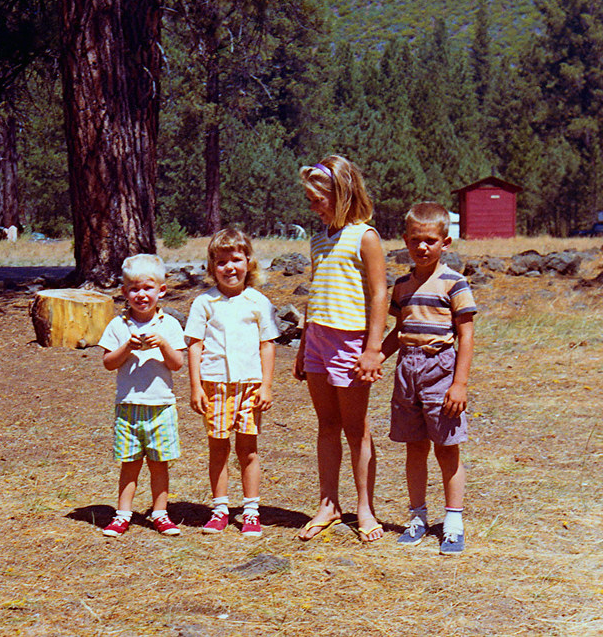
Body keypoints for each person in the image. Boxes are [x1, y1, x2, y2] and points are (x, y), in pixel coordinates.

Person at [293, 155, 388, 543]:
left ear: (343, 193)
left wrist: (373, 349)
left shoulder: (364, 236)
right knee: (327, 426)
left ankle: (364, 507)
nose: (314, 208)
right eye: (311, 201)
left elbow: (379, 292)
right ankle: (328, 503)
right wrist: (302, 345)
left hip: (351, 341)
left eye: (320, 200)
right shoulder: (319, 239)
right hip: (317, 339)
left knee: (355, 428)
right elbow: (316, 294)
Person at [381, 202, 476, 555]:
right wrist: (376, 356)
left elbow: (466, 334)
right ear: (405, 241)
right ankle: (417, 516)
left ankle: (453, 522)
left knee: (447, 447)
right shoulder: (402, 286)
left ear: (445, 243)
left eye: (431, 241)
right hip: (407, 370)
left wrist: (459, 383)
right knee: (415, 447)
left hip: (441, 370)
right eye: (416, 240)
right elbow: (399, 330)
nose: (423, 247)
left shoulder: (454, 282)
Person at [185, 228, 278, 537]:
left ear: (248, 262)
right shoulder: (204, 303)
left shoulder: (257, 302)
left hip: (249, 385)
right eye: (222, 261)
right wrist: (196, 386)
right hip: (215, 385)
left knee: (248, 449)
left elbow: (267, 344)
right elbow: (195, 344)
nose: (230, 268)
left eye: (236, 259)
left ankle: (251, 510)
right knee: (218, 448)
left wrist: (265, 386)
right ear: (212, 266)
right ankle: (220, 508)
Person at [99, 254, 187, 537]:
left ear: (161, 290)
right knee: (130, 462)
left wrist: (161, 344)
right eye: (134, 289)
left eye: (148, 288)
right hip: (128, 406)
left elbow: (177, 364)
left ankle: (160, 512)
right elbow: (108, 362)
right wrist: (127, 347)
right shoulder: (118, 326)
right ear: (125, 292)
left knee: (159, 463)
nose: (141, 295)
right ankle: (123, 513)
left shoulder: (169, 325)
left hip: (161, 406)